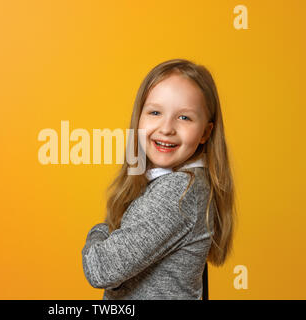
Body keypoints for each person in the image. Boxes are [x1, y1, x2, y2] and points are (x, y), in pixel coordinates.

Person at [81, 58, 237, 299]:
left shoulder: (177, 193)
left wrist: (101, 231)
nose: (166, 128)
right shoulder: (181, 183)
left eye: (184, 118)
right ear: (139, 118)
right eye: (155, 112)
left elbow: (101, 268)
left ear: (206, 132)